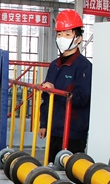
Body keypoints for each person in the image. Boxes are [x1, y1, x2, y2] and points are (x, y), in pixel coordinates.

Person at [39, 8, 92, 165]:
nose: (62, 38)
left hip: (73, 132)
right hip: (54, 129)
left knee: (70, 173)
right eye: (59, 34)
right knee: (51, 170)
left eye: (67, 34)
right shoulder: (54, 65)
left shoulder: (84, 67)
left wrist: (55, 91)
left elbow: (81, 99)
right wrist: (43, 124)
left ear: (78, 38)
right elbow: (46, 98)